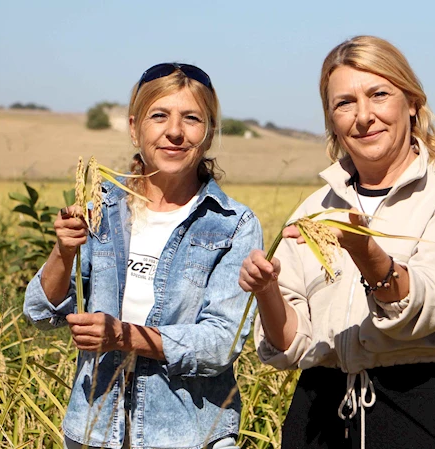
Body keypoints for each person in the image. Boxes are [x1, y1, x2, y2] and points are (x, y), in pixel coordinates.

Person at [239, 36, 435, 449]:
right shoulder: (315, 208)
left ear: (411, 102)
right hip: (318, 407)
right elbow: (291, 344)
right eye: (344, 103)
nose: (364, 116)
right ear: (331, 119)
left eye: (379, 94)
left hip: (415, 401)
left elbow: (424, 307)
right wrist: (267, 292)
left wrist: (363, 249)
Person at [24, 62, 262, 449]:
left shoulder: (233, 225)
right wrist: (64, 252)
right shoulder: (101, 207)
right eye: (159, 116)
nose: (174, 132)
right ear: (135, 128)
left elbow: (220, 344)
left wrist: (124, 336)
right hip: (94, 432)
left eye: (191, 118)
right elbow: (39, 312)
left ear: (209, 133)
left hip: (187, 436)